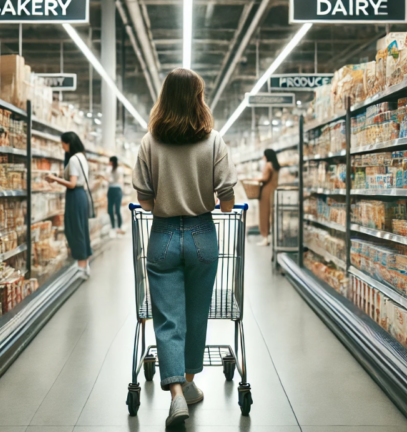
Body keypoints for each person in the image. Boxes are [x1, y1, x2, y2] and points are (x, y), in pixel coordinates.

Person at [132, 68, 237, 427]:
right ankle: (189, 383)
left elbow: (144, 200)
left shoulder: (149, 141)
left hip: (162, 236)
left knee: (167, 318)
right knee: (196, 314)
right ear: (198, 98)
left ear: (165, 97)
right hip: (201, 235)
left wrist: (168, 194)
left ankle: (176, 394)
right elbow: (226, 200)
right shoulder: (215, 141)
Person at [47, 132, 93, 279]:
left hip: (75, 196)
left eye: (63, 144)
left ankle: (80, 267)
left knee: (74, 230)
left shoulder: (73, 159)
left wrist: (54, 179)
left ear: (68, 143)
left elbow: (72, 184)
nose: (62, 147)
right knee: (82, 229)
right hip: (82, 196)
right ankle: (85, 264)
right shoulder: (82, 157)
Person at [255, 148, 280, 246]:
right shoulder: (276, 166)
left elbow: (265, 178)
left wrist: (257, 179)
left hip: (266, 192)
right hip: (275, 191)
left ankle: (265, 238)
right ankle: (274, 237)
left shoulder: (268, 165)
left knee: (264, 215)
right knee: (273, 214)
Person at [107, 156, 125, 236]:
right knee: (110, 210)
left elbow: (113, 180)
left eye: (110, 161)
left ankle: (119, 227)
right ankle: (113, 227)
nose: (108, 163)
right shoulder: (108, 169)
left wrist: (105, 178)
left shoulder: (118, 170)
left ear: (112, 162)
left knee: (117, 210)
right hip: (110, 190)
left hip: (117, 190)